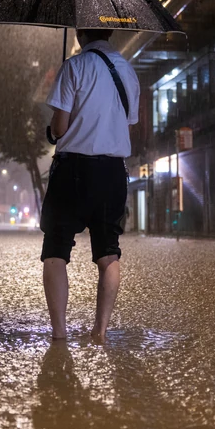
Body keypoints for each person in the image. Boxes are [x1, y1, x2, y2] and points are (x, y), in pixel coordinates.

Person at [41, 28, 140, 341]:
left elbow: (59, 127)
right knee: (108, 253)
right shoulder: (127, 70)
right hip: (112, 172)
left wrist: (54, 130)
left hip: (72, 169)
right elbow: (126, 122)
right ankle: (100, 331)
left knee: (56, 250)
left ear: (80, 33)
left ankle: (59, 334)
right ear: (109, 31)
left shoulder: (74, 67)